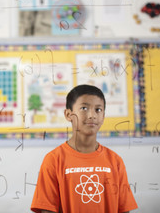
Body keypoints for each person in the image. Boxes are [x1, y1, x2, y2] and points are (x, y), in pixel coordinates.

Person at [31, 84, 138, 213]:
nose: (92, 115)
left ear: (103, 116)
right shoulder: (53, 160)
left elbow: (124, 209)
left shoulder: (115, 161)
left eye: (98, 110)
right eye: (84, 108)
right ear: (68, 114)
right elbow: (47, 209)